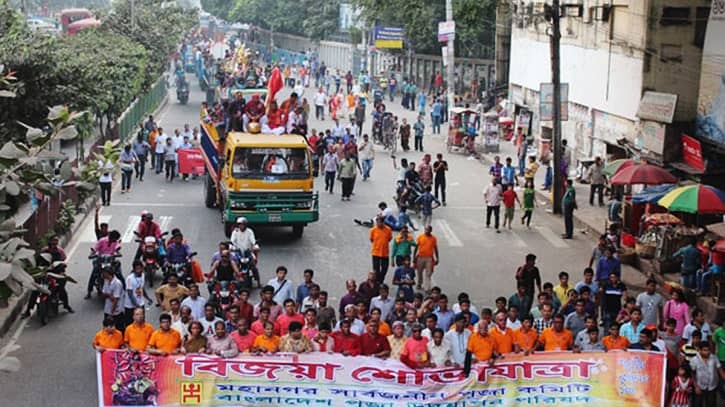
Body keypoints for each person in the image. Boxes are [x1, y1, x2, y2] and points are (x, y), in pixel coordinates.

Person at [690, 342, 725, 407]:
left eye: (708, 350)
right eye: (705, 350)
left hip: (712, 387)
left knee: (711, 404)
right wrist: (696, 387)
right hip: (699, 386)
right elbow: (692, 374)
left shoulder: (714, 358)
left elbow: (720, 370)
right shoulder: (694, 360)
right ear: (700, 350)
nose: (707, 352)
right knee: (697, 404)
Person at [123, 261, 150, 326]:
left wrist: (148, 298)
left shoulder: (143, 275)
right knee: (130, 323)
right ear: (134, 269)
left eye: (140, 268)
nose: (139, 270)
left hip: (140, 303)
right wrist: (136, 305)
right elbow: (130, 293)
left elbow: (142, 287)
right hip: (130, 306)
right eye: (137, 269)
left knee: (141, 321)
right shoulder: (130, 278)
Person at [414, 225, 439, 292]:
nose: (427, 231)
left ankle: (427, 288)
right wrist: (414, 257)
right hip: (420, 257)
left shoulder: (433, 238)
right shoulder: (420, 237)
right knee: (419, 272)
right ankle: (419, 283)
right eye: (426, 229)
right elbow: (416, 247)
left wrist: (437, 258)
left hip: (429, 258)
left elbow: (435, 248)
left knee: (428, 273)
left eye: (428, 230)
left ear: (431, 230)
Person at [370, 215, 393, 284]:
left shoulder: (388, 229)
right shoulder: (373, 230)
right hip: (376, 252)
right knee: (376, 269)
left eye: (380, 222)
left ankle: (380, 280)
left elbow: (389, 239)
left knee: (384, 269)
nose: (378, 224)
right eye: (377, 222)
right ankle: (377, 282)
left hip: (385, 253)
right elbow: (371, 239)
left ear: (383, 222)